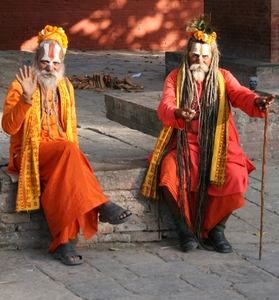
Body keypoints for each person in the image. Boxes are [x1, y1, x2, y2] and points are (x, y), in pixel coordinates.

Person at [141, 15, 274, 254]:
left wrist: (258, 101)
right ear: (187, 55)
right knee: (169, 173)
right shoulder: (176, 77)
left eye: (204, 56)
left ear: (212, 58)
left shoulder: (224, 77)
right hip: (184, 143)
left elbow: (242, 94)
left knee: (235, 173)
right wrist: (178, 113)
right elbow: (165, 105)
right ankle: (184, 229)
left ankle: (217, 230)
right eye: (194, 55)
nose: (199, 61)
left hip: (219, 145)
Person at [2, 25, 133, 265]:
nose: (50, 68)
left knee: (66, 174)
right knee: (69, 152)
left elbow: (71, 130)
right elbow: (8, 128)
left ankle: (63, 243)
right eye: (44, 62)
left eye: (55, 63)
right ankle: (101, 204)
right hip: (28, 155)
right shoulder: (21, 86)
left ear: (62, 64)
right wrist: (26, 99)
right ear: (35, 61)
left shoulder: (66, 87)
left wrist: (77, 159)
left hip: (62, 153)